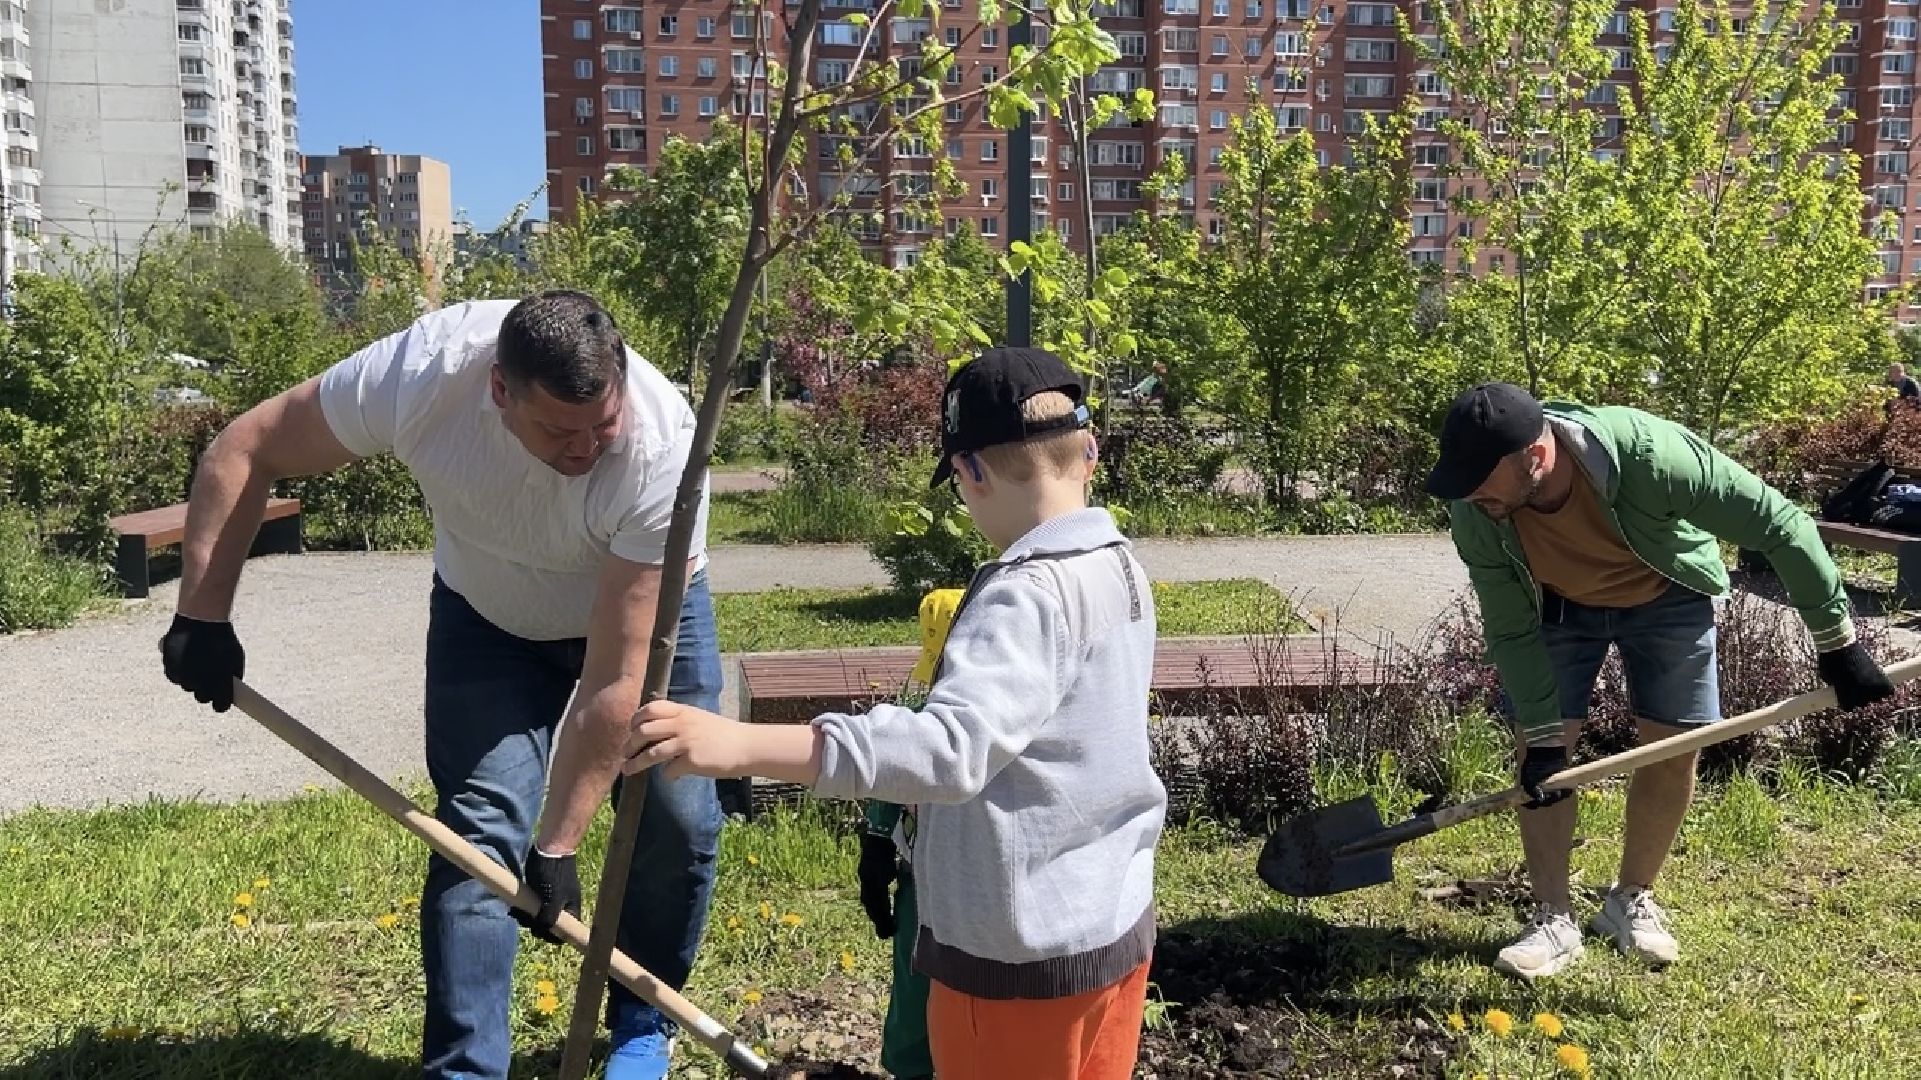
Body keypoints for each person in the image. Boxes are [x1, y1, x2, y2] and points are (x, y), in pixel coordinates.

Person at [157, 291, 724, 1080]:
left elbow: (615, 679)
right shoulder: (422, 375)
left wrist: (557, 843)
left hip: (642, 613)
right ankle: (463, 1071)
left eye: (602, 424)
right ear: (499, 390)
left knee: (675, 810)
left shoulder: (662, 447)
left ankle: (642, 1022)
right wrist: (203, 617)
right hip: (486, 618)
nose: (586, 448)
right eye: (559, 430)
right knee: (475, 840)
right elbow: (246, 446)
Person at [623, 346, 1168, 1080]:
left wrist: (741, 744)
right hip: (1111, 932)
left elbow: (948, 751)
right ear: (1090, 451)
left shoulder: (1024, 594)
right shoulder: (1120, 567)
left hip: (1016, 963)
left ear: (971, 471)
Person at [1425, 382, 1896, 981]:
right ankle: (1553, 917)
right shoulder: (1475, 510)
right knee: (1541, 757)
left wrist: (1837, 644)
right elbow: (1511, 627)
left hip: (1666, 598)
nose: (1467, 492)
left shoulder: (1652, 457)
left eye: (1478, 478)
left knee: (1674, 750)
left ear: (1536, 458)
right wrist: (1544, 737)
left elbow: (1782, 524)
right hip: (1558, 608)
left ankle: (1630, 901)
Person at [858, 587, 962, 1080]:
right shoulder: (918, 696)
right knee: (916, 992)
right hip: (920, 878)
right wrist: (877, 842)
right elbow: (893, 771)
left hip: (974, 880)